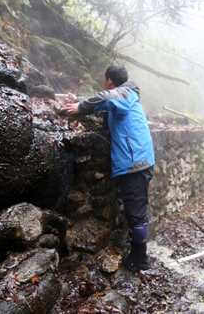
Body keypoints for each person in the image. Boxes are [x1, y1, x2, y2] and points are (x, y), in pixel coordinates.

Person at [61, 64, 155, 273]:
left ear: (109, 80)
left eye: (104, 81)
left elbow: (107, 98)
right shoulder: (125, 98)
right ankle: (139, 255)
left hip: (135, 164)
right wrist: (79, 102)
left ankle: (140, 259)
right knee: (134, 213)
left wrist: (80, 107)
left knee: (136, 214)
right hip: (137, 161)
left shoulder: (124, 93)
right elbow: (104, 105)